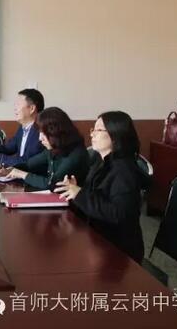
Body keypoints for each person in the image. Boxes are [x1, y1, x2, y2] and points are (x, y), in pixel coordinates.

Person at [55, 111, 148, 263]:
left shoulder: (124, 170)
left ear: (116, 135)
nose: (92, 134)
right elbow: (95, 198)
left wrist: (79, 194)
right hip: (96, 238)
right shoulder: (100, 162)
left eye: (98, 130)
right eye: (93, 129)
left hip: (118, 251)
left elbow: (119, 214)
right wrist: (74, 189)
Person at [0, 107, 89, 190]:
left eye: (44, 133)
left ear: (56, 133)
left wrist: (22, 174)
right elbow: (28, 165)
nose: (40, 138)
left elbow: (52, 184)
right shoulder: (54, 149)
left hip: (70, 203)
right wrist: (9, 169)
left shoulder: (76, 154)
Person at [0, 88, 45, 165]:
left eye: (18, 104)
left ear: (32, 108)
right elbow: (9, 147)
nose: (15, 108)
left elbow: (25, 162)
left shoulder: (40, 131)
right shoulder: (23, 127)